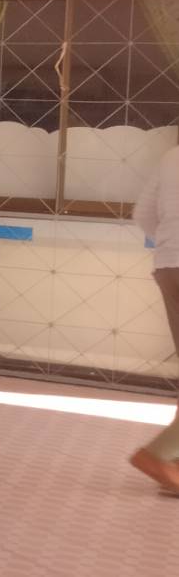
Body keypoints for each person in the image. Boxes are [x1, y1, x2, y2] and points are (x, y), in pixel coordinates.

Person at [130, 143, 179, 492]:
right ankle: (157, 455)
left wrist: (170, 242)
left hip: (169, 266)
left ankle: (175, 462)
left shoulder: (173, 153)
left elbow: (143, 213)